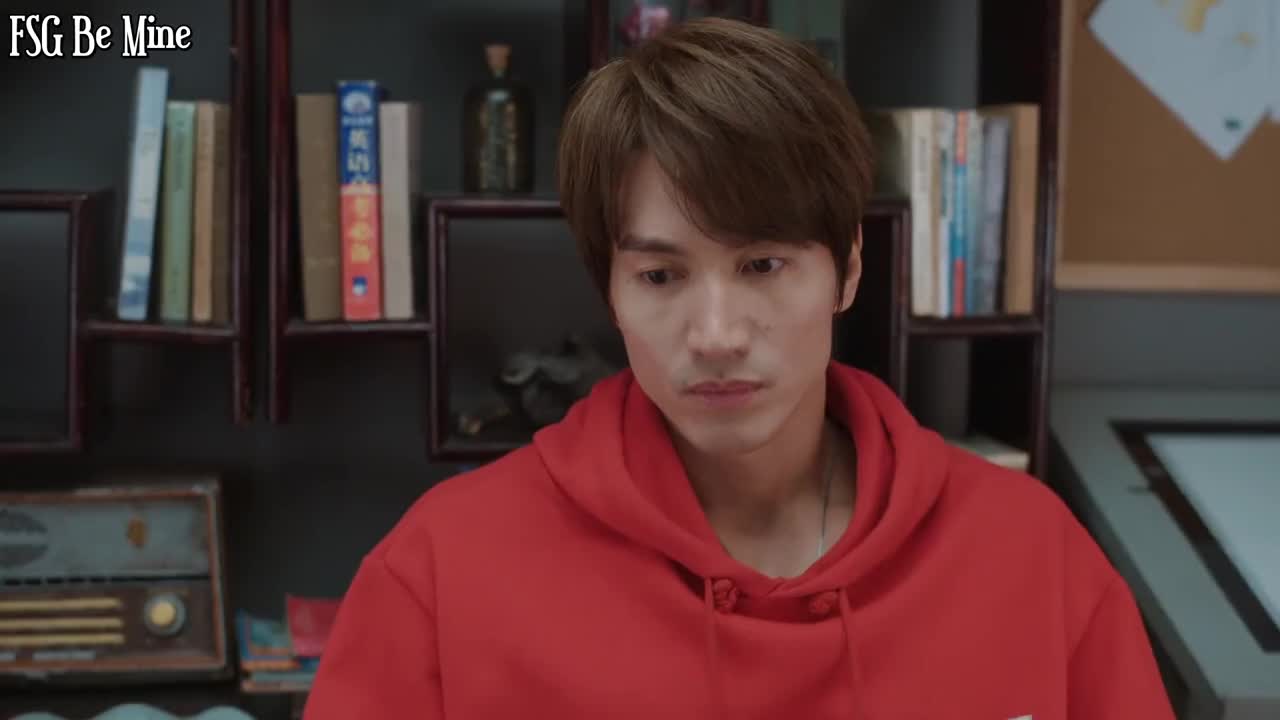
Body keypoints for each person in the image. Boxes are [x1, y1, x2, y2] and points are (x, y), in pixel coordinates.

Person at [303, 17, 1176, 719]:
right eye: (660, 276)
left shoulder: (1032, 555)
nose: (715, 334)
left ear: (849, 269)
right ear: (609, 290)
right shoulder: (442, 569)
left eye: (763, 265)